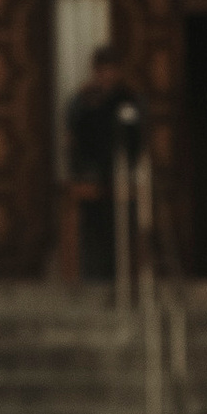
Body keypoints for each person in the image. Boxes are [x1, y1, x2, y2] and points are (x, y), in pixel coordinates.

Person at [64, 40, 145, 284]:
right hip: (92, 175)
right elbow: (72, 136)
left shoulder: (129, 98)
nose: (107, 75)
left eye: (112, 69)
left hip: (122, 175)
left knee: (123, 236)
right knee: (93, 236)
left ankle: (125, 282)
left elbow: (138, 137)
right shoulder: (83, 100)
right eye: (102, 70)